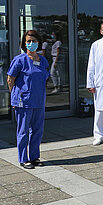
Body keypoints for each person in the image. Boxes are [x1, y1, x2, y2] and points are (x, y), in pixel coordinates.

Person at [7, 30, 50, 169]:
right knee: (23, 131)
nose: (31, 44)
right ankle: (23, 159)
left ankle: (34, 157)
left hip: (38, 101)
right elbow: (10, 79)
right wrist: (14, 97)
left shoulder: (43, 60)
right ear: (24, 44)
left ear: (39, 43)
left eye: (34, 41)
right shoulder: (19, 60)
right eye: (28, 41)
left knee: (37, 130)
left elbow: (45, 77)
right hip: (23, 101)